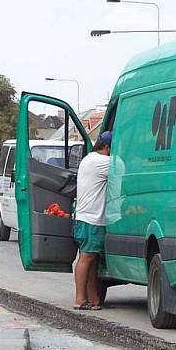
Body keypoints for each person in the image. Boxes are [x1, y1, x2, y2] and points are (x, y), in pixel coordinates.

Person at [72, 131, 111, 310]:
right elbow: (126, 169)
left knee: (91, 259)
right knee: (87, 257)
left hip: (85, 216)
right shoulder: (102, 162)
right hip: (91, 219)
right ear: (107, 147)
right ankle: (80, 299)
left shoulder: (88, 159)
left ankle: (93, 299)